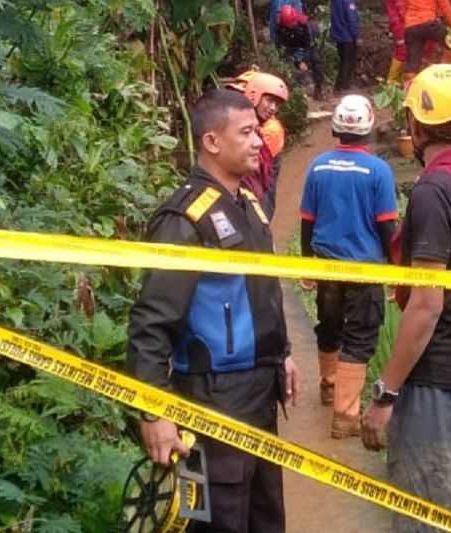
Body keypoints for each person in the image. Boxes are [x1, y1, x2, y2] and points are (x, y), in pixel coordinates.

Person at [127, 89, 299, 533]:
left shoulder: (251, 205)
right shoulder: (185, 220)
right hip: (212, 401)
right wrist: (155, 411)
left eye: (257, 131)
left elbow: (262, 291)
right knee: (218, 522)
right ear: (212, 142)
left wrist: (284, 352)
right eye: (246, 132)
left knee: (266, 517)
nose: (259, 141)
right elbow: (150, 323)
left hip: (261, 396)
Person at [361, 64, 451, 531]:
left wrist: (385, 393)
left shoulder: (434, 191)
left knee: (428, 519)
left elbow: (427, 304)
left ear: (417, 125)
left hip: (439, 380)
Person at [299, 94, 398, 438]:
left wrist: (306, 263)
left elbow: (307, 221)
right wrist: (396, 271)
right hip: (364, 269)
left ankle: (329, 386)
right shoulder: (378, 170)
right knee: (359, 337)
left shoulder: (318, 166)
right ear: (369, 128)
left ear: (337, 128)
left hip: (327, 266)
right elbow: (387, 226)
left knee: (329, 326)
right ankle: (345, 416)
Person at [228, 71, 290, 221]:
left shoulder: (269, 131)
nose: (273, 108)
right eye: (269, 101)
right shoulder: (233, 128)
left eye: (276, 104)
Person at [277, 4, 325, 100]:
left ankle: (318, 88)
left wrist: (304, 60)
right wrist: (298, 61)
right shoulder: (281, 29)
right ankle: (293, 92)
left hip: (307, 44)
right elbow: (287, 47)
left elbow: (309, 44)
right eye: (290, 24)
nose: (293, 25)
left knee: (316, 62)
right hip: (293, 47)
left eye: (294, 23)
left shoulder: (304, 24)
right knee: (289, 64)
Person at [402, 0, 451, 81]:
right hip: (428, 22)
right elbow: (445, 7)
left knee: (412, 65)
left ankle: (409, 90)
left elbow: (404, 7)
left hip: (411, 26)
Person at [330, 0, 360, 92]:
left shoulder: (335, 2)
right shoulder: (347, 1)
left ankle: (339, 86)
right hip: (348, 36)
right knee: (348, 62)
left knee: (343, 61)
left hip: (339, 36)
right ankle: (344, 86)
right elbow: (352, 19)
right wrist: (356, 35)